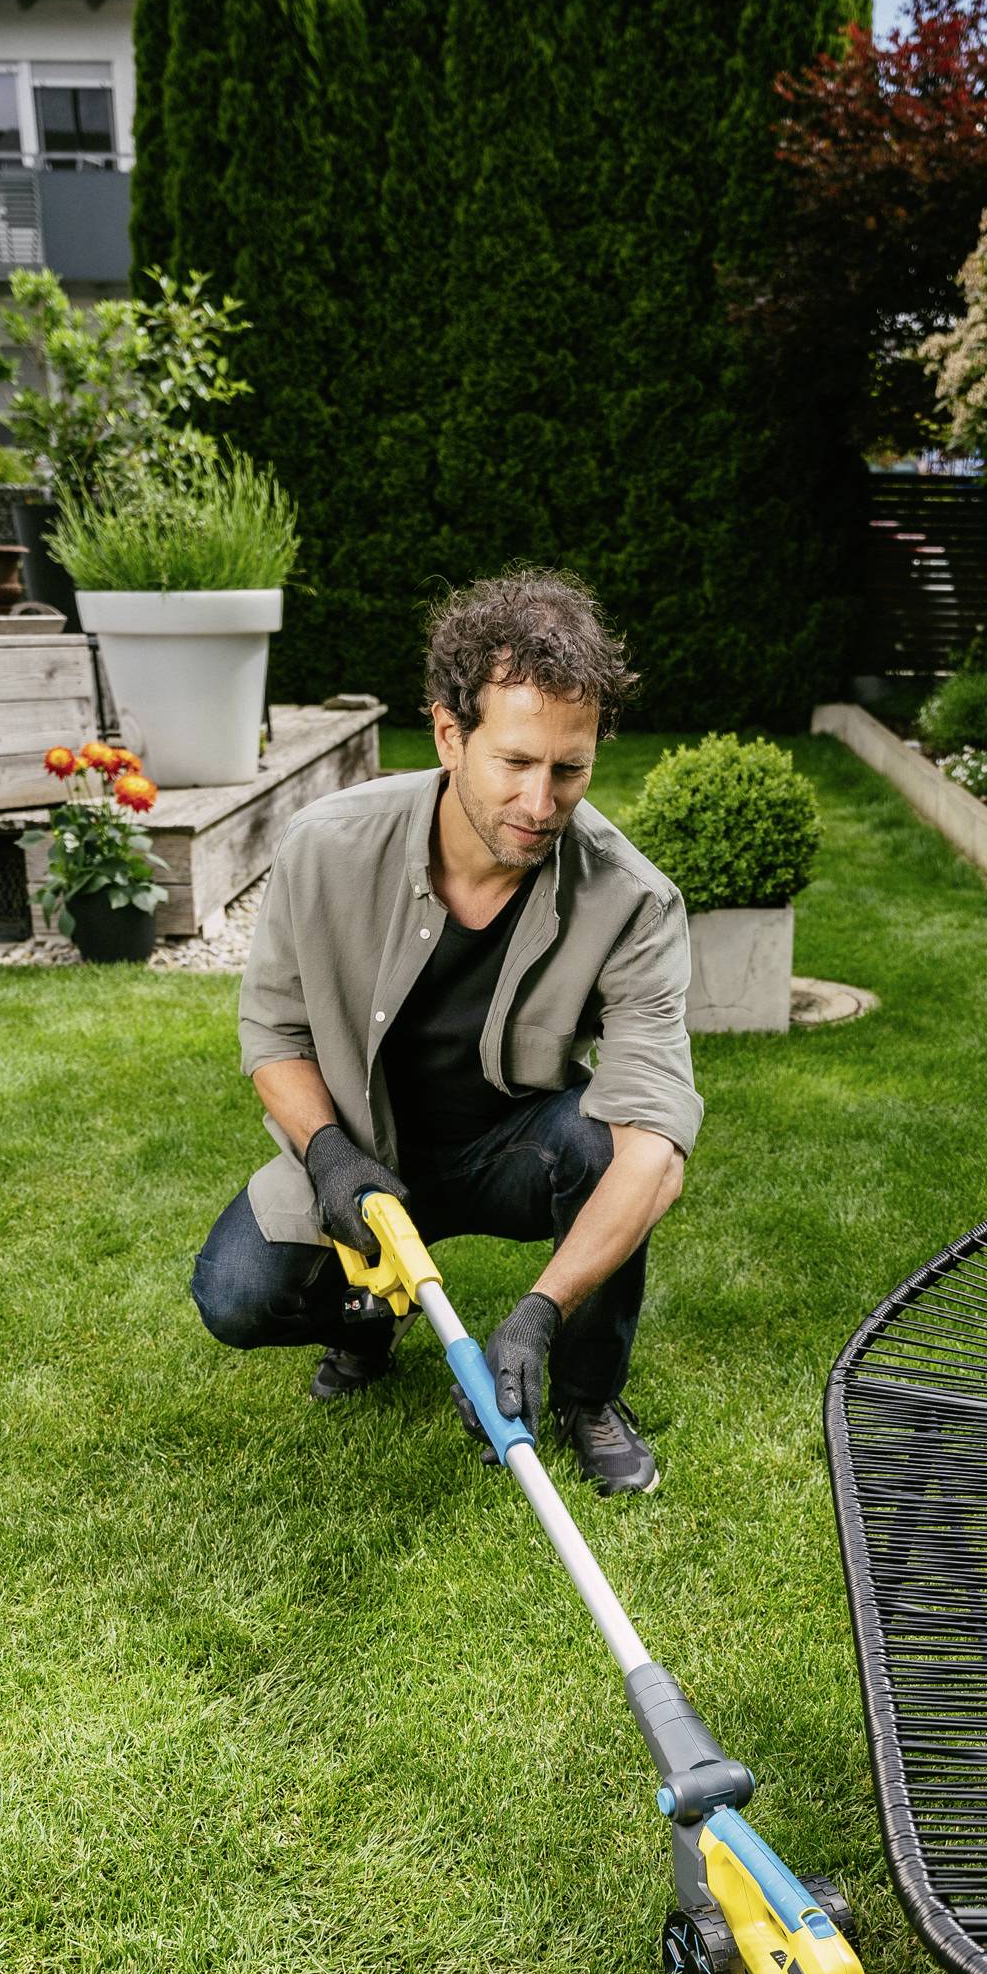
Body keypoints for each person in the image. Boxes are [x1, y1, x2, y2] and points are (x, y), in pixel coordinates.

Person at [190, 570, 699, 1497]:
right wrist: (329, 1159)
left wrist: (541, 1311)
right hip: (365, 1157)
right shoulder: (324, 847)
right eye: (514, 762)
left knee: (605, 1141)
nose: (542, 803)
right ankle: (368, 1321)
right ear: (448, 734)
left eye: (569, 768)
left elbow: (655, 1150)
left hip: (514, 1149)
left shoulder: (634, 902)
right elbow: (273, 1033)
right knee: (233, 1292)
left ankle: (588, 1396)